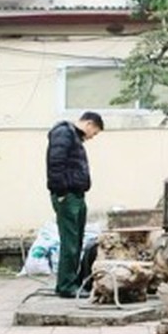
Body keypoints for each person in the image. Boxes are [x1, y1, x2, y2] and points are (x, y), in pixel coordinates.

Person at [45, 111, 104, 298]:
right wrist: (61, 193)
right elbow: (55, 163)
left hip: (76, 195)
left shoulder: (74, 137)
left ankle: (73, 281)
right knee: (70, 242)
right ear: (89, 124)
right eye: (94, 132)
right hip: (67, 195)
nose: (92, 137)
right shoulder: (63, 133)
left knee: (76, 240)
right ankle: (66, 285)